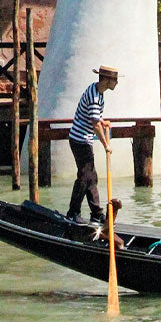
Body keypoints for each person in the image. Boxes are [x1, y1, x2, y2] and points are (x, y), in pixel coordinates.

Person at [66, 65, 117, 224]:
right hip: (80, 140)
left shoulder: (97, 92)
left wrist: (102, 120)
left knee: (91, 177)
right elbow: (95, 125)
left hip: (83, 139)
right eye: (115, 79)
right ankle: (73, 213)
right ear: (107, 80)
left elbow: (93, 116)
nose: (116, 83)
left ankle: (96, 213)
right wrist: (106, 145)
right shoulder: (95, 96)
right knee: (84, 177)